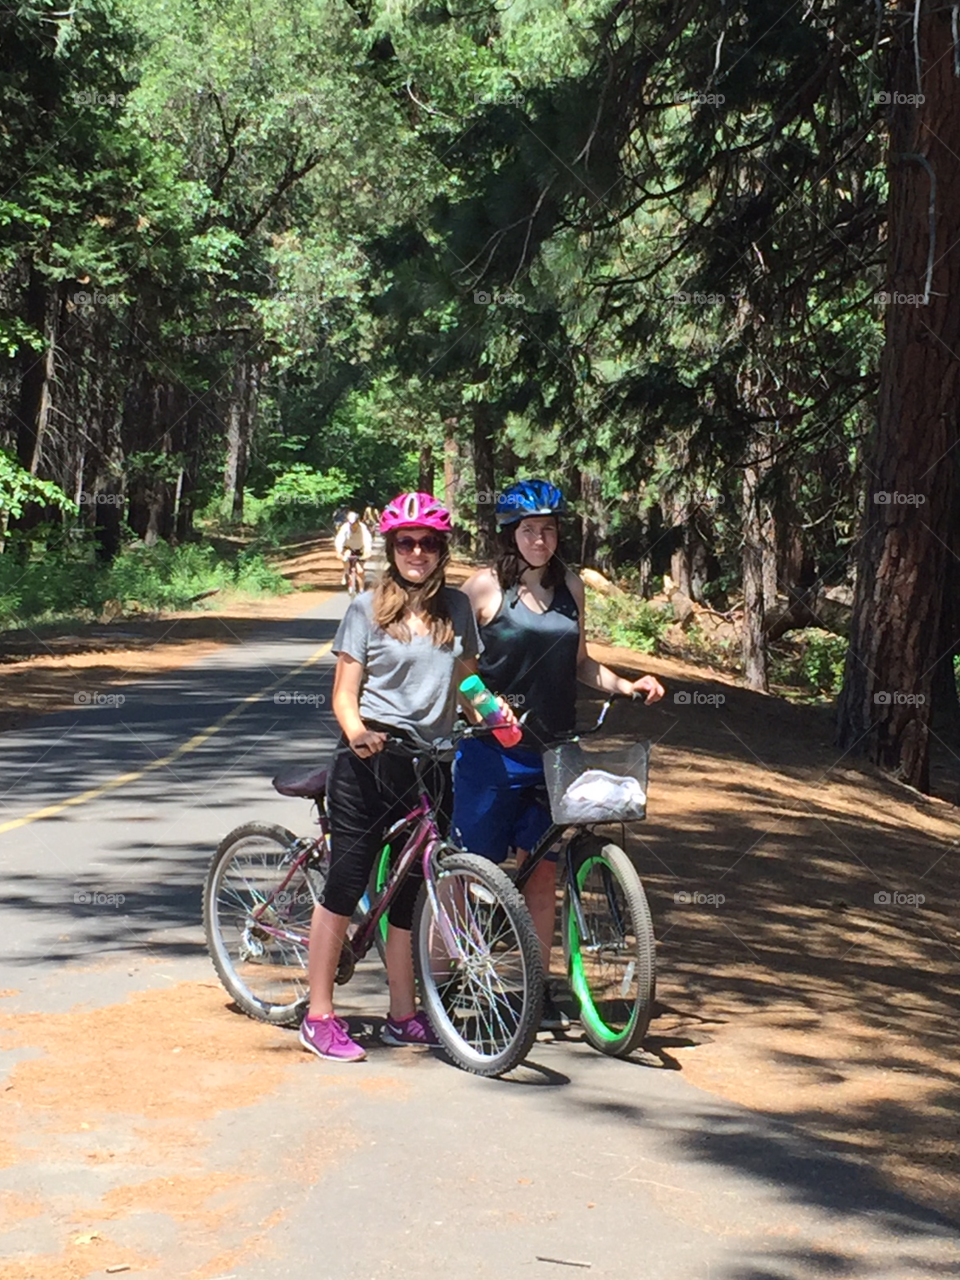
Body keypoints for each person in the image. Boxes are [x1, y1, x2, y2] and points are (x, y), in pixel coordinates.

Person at [451, 479, 665, 1030]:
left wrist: (625, 685)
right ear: (510, 535)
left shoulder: (571, 586)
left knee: (541, 871)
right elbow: (459, 668)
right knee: (468, 872)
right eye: (528, 530)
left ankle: (538, 988)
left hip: (554, 753)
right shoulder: (482, 589)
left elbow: (581, 664)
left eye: (548, 528)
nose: (539, 539)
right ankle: (448, 977)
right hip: (492, 755)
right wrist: (489, 712)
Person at [300, 491, 481, 1062]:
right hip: (370, 760)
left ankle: (403, 1014)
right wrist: (357, 734)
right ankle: (319, 1015)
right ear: (391, 548)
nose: (418, 553)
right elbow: (344, 695)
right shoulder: (366, 610)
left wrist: (498, 721)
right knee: (346, 883)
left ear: (442, 549)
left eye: (429, 543)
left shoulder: (457, 609)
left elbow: (469, 686)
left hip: (431, 764)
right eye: (407, 542)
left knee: (407, 897)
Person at [334, 510, 373, 590]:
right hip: (348, 548)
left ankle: (361, 590)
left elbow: (367, 539)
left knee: (360, 571)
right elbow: (340, 539)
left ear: (358, 521)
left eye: (354, 523)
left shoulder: (362, 528)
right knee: (346, 557)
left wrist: (368, 551)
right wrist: (339, 551)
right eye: (351, 523)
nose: (352, 526)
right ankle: (346, 572)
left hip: (359, 549)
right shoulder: (345, 527)